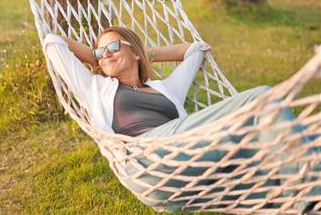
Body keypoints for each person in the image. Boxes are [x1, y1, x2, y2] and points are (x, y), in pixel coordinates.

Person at [43, 27, 319, 214]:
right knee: (262, 100)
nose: (107, 54)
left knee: (294, 145)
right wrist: (99, 57)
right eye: (101, 52)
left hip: (189, 164)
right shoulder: (94, 88)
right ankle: (312, 197)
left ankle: (304, 201)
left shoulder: (167, 89)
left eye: (114, 46)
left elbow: (196, 50)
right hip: (147, 161)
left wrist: (145, 52)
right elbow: (52, 41)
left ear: (135, 52)